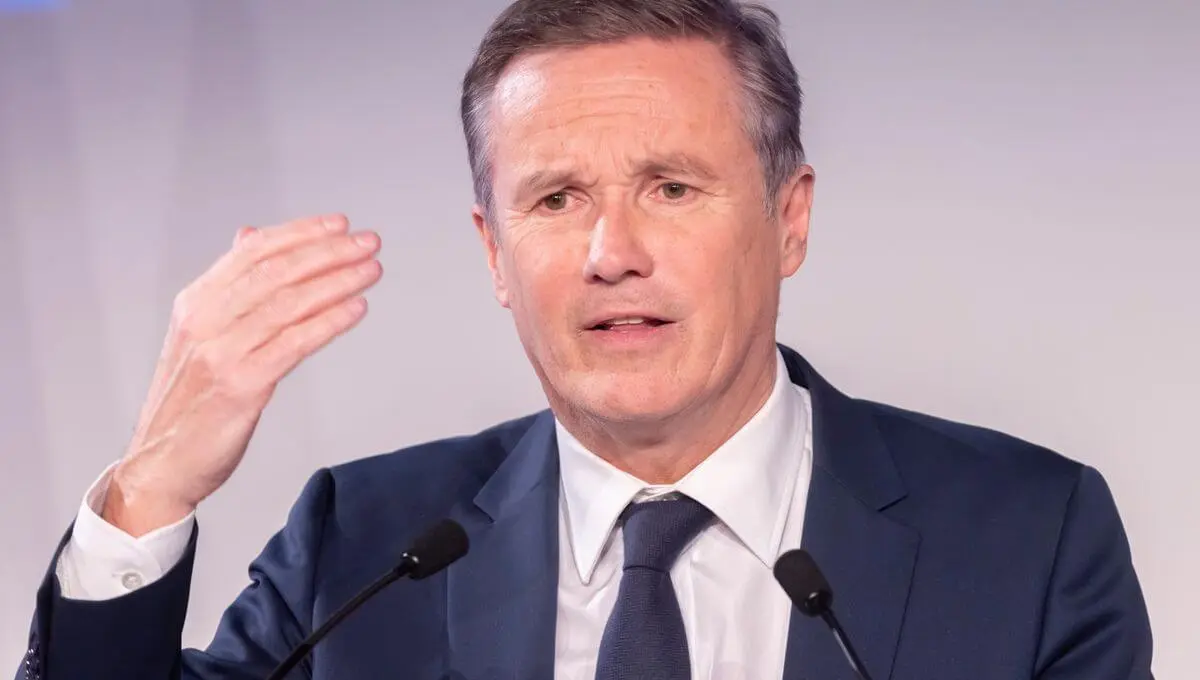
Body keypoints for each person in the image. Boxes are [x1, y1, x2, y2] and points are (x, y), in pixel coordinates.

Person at [17, 1, 1153, 679]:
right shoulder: (360, 546)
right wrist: (150, 490)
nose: (613, 251)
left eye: (671, 187)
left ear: (790, 219)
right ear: (493, 252)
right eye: (556, 199)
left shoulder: (1027, 537)